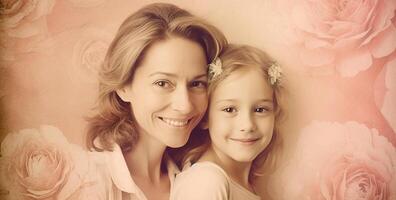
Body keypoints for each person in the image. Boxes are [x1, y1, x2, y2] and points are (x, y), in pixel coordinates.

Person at [85, 3, 227, 200]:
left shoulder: (197, 183)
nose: (185, 105)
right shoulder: (88, 180)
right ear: (123, 86)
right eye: (162, 83)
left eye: (197, 83)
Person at [170, 44, 284, 200]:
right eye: (230, 109)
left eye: (260, 109)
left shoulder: (235, 182)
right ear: (205, 117)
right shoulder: (207, 182)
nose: (247, 125)